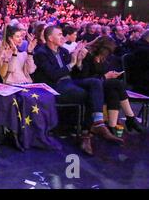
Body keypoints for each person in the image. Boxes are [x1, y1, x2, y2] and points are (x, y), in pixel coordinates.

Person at [33, 26, 123, 156]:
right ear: (50, 38)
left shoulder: (63, 51)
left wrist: (79, 61)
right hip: (55, 85)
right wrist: (72, 63)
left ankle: (97, 123)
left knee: (95, 82)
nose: (62, 37)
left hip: (69, 82)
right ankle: (87, 133)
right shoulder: (41, 53)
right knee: (88, 95)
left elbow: (75, 73)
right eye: (59, 34)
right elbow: (53, 75)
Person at [74, 36, 144, 135]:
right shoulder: (88, 56)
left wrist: (110, 75)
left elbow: (102, 75)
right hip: (87, 84)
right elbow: (84, 77)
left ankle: (112, 127)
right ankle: (130, 118)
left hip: (100, 83)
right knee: (115, 83)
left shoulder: (103, 59)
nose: (109, 55)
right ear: (104, 49)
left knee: (114, 91)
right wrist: (105, 76)